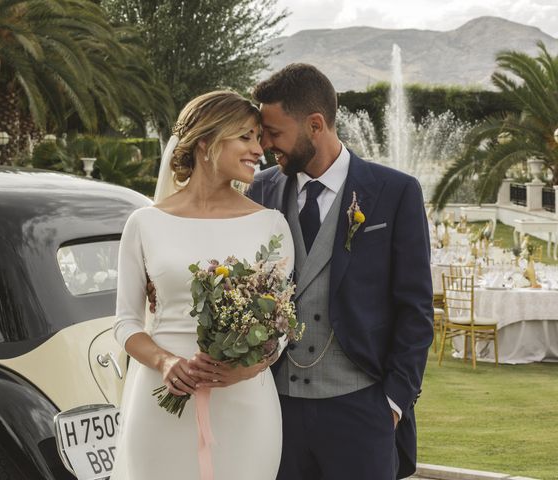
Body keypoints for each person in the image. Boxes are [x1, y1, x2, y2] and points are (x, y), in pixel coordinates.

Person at [247, 64, 433, 479]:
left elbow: (415, 309)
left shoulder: (395, 192)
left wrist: (393, 403)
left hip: (362, 410)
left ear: (315, 124)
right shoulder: (260, 190)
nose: (265, 146)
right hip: (275, 410)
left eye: (274, 133)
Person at [111, 90, 294, 480]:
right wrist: (165, 362)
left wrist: (249, 367)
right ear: (207, 142)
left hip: (245, 407)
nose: (258, 150)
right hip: (161, 404)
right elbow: (125, 323)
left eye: (259, 138)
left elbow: (279, 330)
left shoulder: (271, 226)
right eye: (245, 137)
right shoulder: (145, 224)